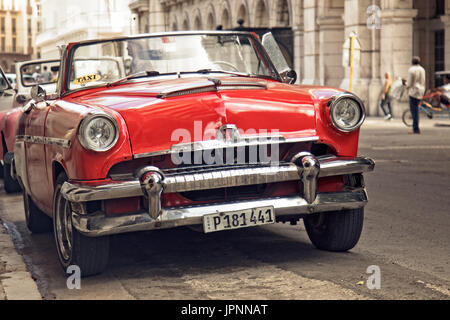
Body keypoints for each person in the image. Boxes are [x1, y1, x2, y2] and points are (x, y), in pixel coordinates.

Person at [404, 56, 426, 134]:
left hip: (413, 91)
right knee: (416, 109)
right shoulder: (422, 69)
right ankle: (416, 127)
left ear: (412, 62)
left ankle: (415, 128)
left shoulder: (411, 70)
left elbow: (409, 83)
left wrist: (405, 84)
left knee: (414, 111)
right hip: (421, 91)